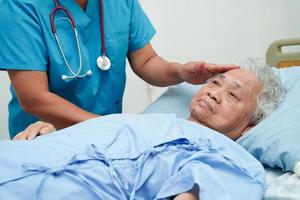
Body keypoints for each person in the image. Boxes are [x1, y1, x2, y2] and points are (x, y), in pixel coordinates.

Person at [0, 60, 285, 199]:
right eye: (214, 83)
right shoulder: (148, 122)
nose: (214, 93)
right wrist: (55, 133)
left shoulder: (228, 156)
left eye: (233, 95)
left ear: (251, 124)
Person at [0, 0, 237, 140]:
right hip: (45, 134)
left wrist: (180, 72)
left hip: (108, 137)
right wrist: (115, 128)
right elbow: (33, 98)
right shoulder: (18, 5)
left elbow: (146, 61)